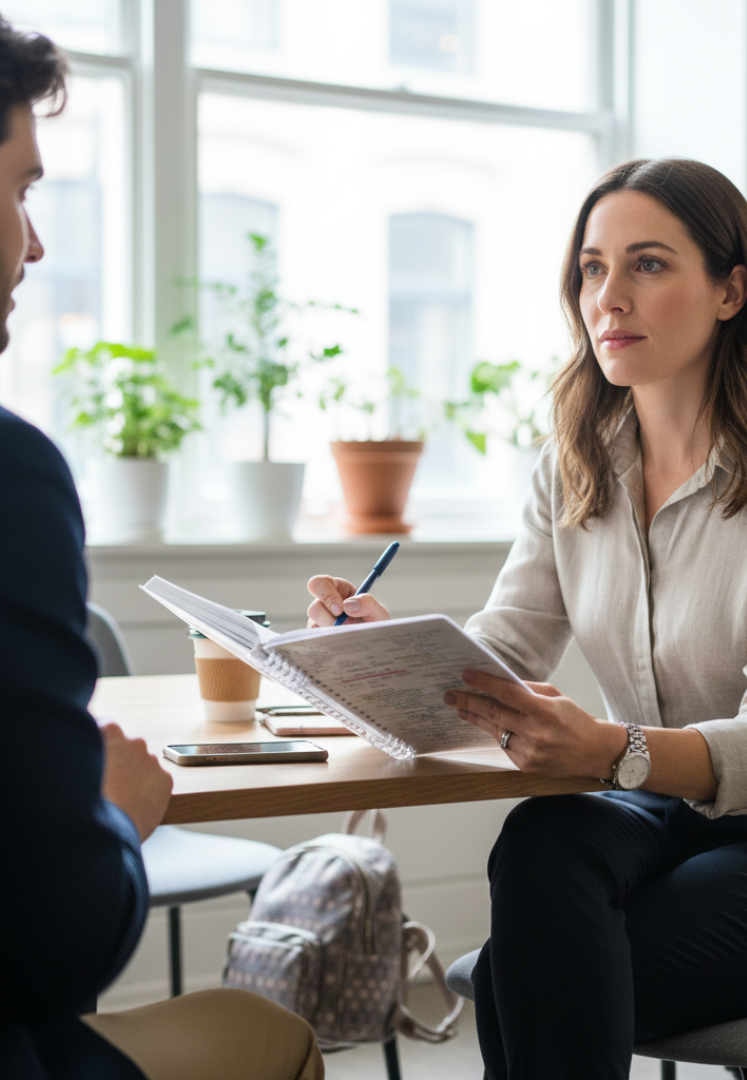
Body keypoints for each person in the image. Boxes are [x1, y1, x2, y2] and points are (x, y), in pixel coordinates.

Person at [308, 158, 747, 1079]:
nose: (609, 298)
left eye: (648, 265)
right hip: (664, 819)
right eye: (592, 268)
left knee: (527, 978)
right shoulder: (576, 465)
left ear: (729, 290)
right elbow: (504, 648)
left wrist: (611, 751)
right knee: (546, 839)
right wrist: (382, 649)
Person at [0, 17, 323, 1080]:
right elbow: (59, 939)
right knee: (269, 1034)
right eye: (21, 190)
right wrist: (118, 819)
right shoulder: (13, 476)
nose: (34, 242)